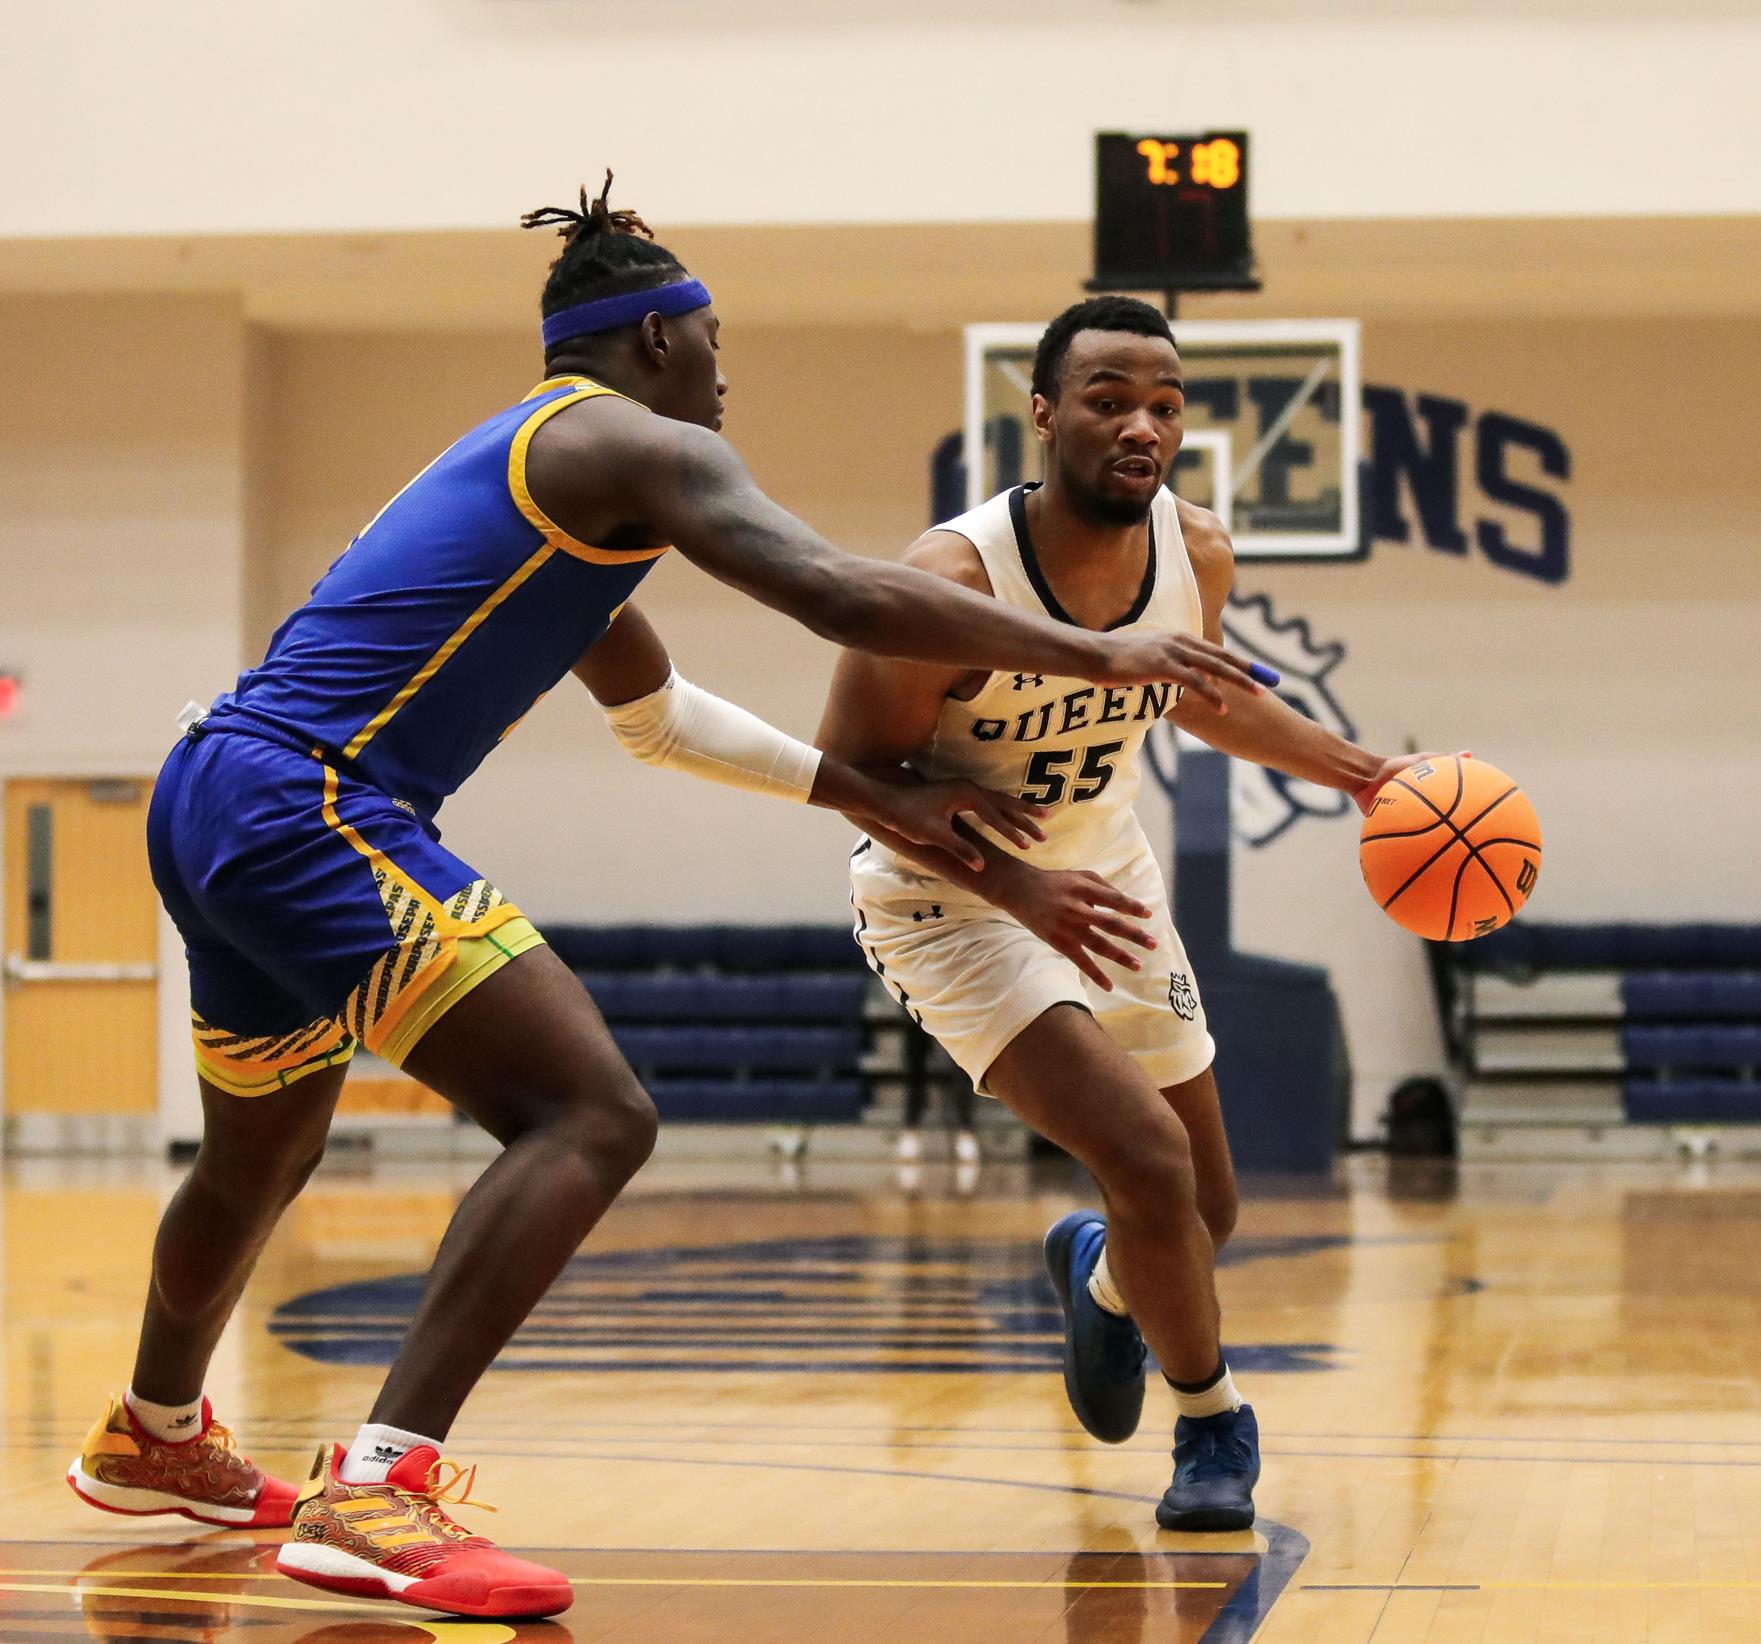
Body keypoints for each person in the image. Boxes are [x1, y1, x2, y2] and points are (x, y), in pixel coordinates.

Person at [65, 185, 1267, 1621]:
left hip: (212, 791)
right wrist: (1108, 654)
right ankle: (378, 1490)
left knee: (259, 1152)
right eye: (710, 344)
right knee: (593, 1114)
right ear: (652, 339)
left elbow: (657, 715)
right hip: (306, 803)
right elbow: (838, 590)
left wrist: (869, 795)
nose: (721, 377)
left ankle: (157, 1434)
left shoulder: (541, 475)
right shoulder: (626, 439)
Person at [821, 295, 1437, 1532]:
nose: (1140, 425)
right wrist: (1017, 890)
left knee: (1202, 1213)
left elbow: (1202, 700)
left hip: (1103, 878)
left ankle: (1099, 1277)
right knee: (1143, 1160)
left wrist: (1361, 773)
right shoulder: (946, 579)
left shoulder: (1192, 550)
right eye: (1108, 398)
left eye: (1163, 404)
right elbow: (850, 776)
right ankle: (1212, 1427)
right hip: (951, 903)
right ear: (1041, 412)